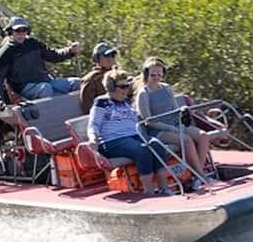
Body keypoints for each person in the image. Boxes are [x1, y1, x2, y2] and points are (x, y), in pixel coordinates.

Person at [87, 68, 174, 196]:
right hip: (113, 142)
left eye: (127, 86)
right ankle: (149, 192)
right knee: (142, 149)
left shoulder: (127, 103)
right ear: (111, 88)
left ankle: (164, 188)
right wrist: (92, 138)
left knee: (156, 144)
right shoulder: (102, 102)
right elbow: (93, 124)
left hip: (134, 137)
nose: (126, 90)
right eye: (122, 87)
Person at [135, 57, 216, 188]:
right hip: (159, 130)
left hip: (175, 124)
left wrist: (183, 111)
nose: (156, 77)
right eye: (153, 75)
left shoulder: (166, 88)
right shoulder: (143, 94)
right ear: (146, 75)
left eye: (159, 74)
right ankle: (201, 176)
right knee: (187, 140)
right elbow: (148, 122)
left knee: (203, 136)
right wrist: (170, 128)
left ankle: (198, 176)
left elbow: (175, 109)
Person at [0, 16, 81, 110]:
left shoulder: (33, 44)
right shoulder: (5, 52)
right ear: (10, 32)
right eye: (17, 31)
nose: (21, 34)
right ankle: (57, 115)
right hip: (25, 87)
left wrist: (70, 51)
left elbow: (53, 55)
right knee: (46, 89)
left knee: (77, 83)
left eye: (24, 30)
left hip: (46, 81)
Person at [80, 42, 119, 113]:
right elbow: (88, 107)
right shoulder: (91, 79)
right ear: (97, 58)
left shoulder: (118, 74)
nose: (110, 58)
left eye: (112, 55)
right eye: (106, 55)